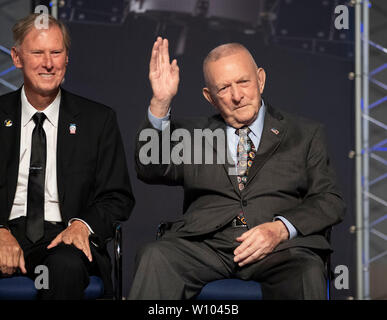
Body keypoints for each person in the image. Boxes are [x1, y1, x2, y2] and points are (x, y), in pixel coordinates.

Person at [129, 37, 345, 300]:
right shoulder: (193, 134)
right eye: (223, 88)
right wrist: (161, 103)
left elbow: (329, 200)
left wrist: (280, 229)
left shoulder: (305, 134)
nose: (237, 96)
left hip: (279, 249)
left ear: (261, 79)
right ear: (210, 97)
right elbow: (149, 167)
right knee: (155, 256)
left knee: (307, 271)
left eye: (243, 82)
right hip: (205, 246)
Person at [0, 13, 135, 299]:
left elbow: (117, 197)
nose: (48, 63)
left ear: (67, 58)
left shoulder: (98, 120)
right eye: (37, 52)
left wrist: (83, 225)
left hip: (64, 238)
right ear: (16, 57)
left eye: (56, 52)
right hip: (5, 231)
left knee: (65, 266)